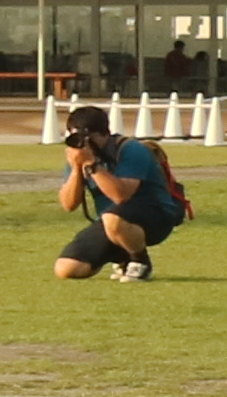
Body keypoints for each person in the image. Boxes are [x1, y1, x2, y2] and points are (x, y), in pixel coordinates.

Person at [49, 104, 185, 282]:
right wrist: (76, 167)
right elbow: (69, 204)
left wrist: (92, 165)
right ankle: (123, 256)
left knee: (112, 218)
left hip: (156, 216)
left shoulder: (131, 150)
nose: (83, 143)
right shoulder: (79, 155)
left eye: (88, 138)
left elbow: (121, 196)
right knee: (67, 268)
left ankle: (140, 262)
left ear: (104, 133)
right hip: (112, 222)